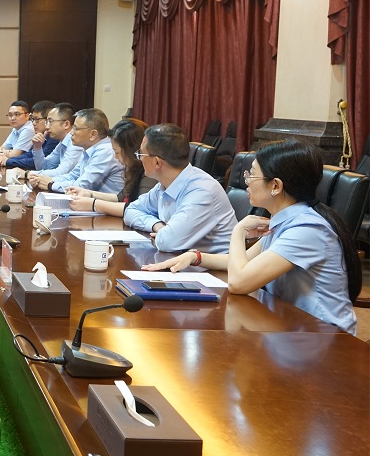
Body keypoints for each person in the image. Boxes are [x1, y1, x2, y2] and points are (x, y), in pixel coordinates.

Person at [143, 139, 360, 334]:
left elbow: (238, 283)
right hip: (289, 326)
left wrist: (238, 231)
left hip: (324, 338)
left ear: (275, 186)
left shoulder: (306, 229)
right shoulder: (288, 220)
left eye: (252, 174)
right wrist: (195, 257)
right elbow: (243, 261)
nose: (246, 180)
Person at [123, 123, 236, 253]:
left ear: (157, 162)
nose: (140, 158)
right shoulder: (165, 185)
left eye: (142, 154)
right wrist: (157, 225)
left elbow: (167, 242)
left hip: (213, 264)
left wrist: (164, 232)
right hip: (182, 259)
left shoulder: (202, 192)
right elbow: (130, 211)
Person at [67, 119, 157, 216]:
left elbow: (137, 208)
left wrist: (93, 204)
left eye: (117, 152)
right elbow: (120, 198)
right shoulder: (133, 169)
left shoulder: (149, 172)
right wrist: (88, 194)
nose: (115, 156)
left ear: (130, 150)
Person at [31, 108, 124, 195]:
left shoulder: (105, 152)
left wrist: (51, 184)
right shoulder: (89, 149)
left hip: (105, 205)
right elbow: (72, 176)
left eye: (76, 129)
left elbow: (82, 185)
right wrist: (42, 180)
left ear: (93, 134)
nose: (71, 132)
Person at [23, 103, 83, 185]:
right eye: (47, 122)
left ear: (66, 124)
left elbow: (62, 172)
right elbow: (44, 166)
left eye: (50, 121)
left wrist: (27, 174)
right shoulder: (62, 143)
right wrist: (37, 147)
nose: (47, 127)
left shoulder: (76, 144)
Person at [0, 100, 56, 169]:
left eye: (37, 119)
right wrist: (8, 160)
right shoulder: (43, 135)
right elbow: (29, 155)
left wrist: (8, 161)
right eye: (33, 119)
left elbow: (36, 162)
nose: (33, 123)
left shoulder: (54, 138)